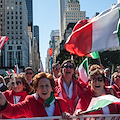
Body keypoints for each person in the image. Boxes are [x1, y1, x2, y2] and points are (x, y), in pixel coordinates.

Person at [0, 72, 70, 119]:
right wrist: (3, 102)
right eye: (41, 86)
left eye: (47, 85)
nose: (44, 89)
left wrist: (68, 116)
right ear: (36, 88)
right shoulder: (30, 101)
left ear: (51, 87)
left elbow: (69, 116)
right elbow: (13, 111)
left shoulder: (61, 103)